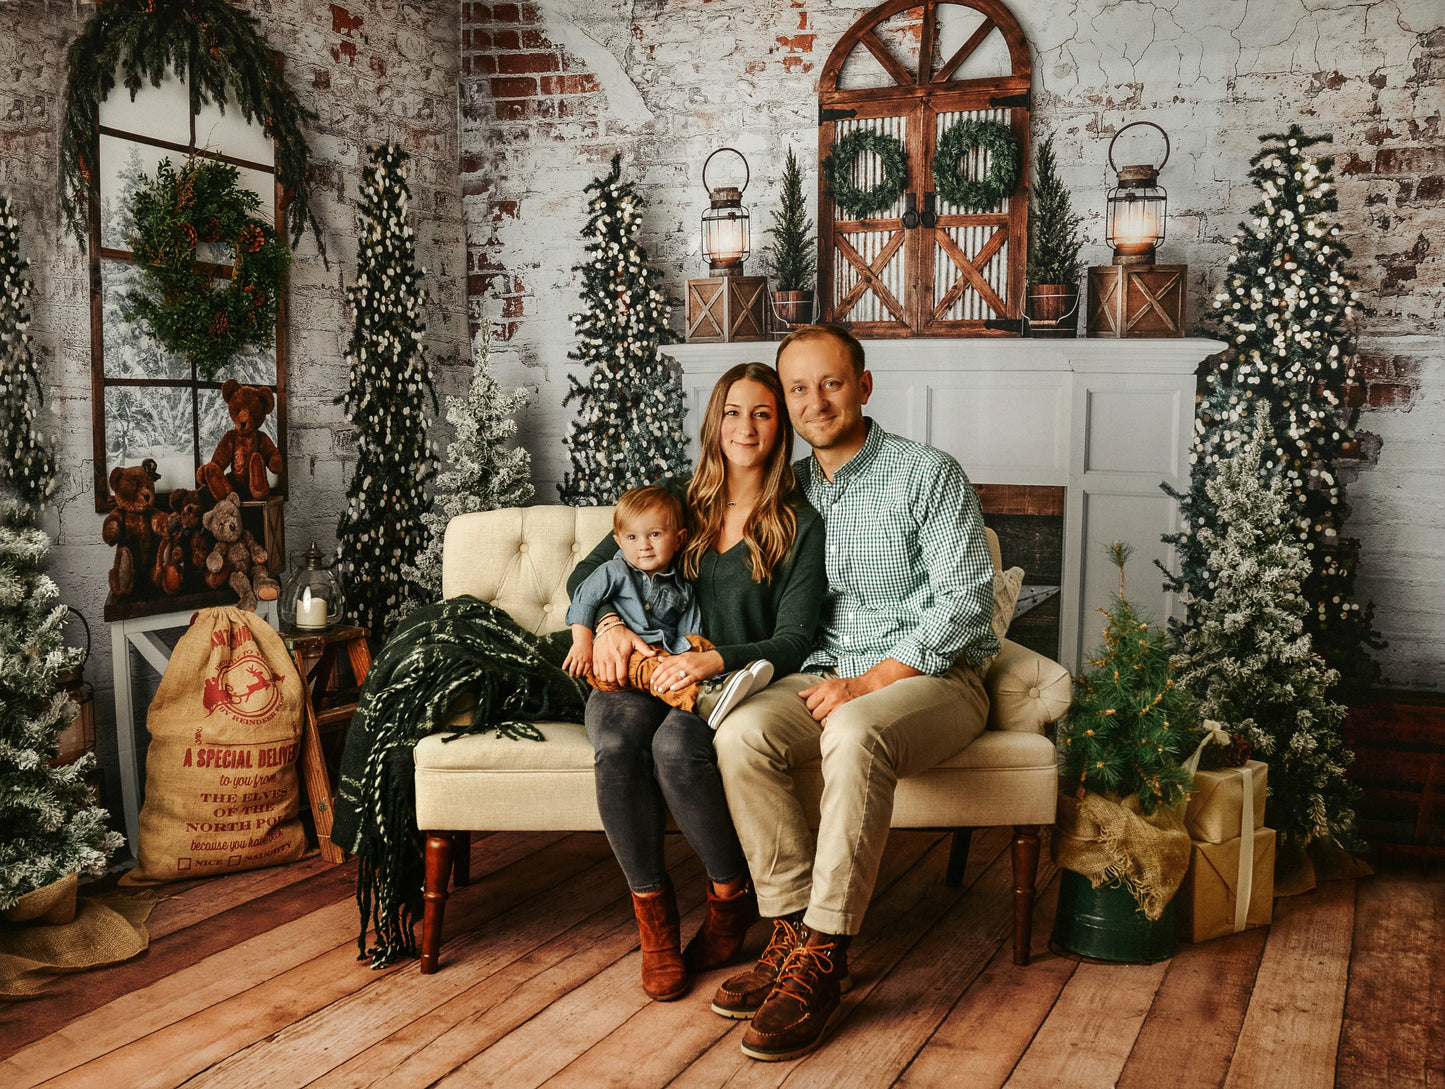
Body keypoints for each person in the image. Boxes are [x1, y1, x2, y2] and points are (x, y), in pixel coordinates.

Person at [710, 324, 998, 1062]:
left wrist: (869, 683)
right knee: (739, 731)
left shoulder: (926, 473)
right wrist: (608, 616)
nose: (814, 401)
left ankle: (825, 953)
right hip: (823, 672)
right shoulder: (787, 486)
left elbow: (964, 602)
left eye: (830, 383)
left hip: (930, 677)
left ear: (863, 386)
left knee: (855, 729)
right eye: (797, 389)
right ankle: (787, 928)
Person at [566, 361, 826, 1002]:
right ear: (715, 422)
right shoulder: (675, 500)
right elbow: (589, 572)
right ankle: (654, 928)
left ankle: (728, 900)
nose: (746, 425)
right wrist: (605, 626)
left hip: (714, 682)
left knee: (676, 747)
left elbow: (795, 640)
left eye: (763, 412)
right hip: (635, 671)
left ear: (782, 426)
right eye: (734, 411)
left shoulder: (799, 523)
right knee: (620, 741)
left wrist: (717, 659)